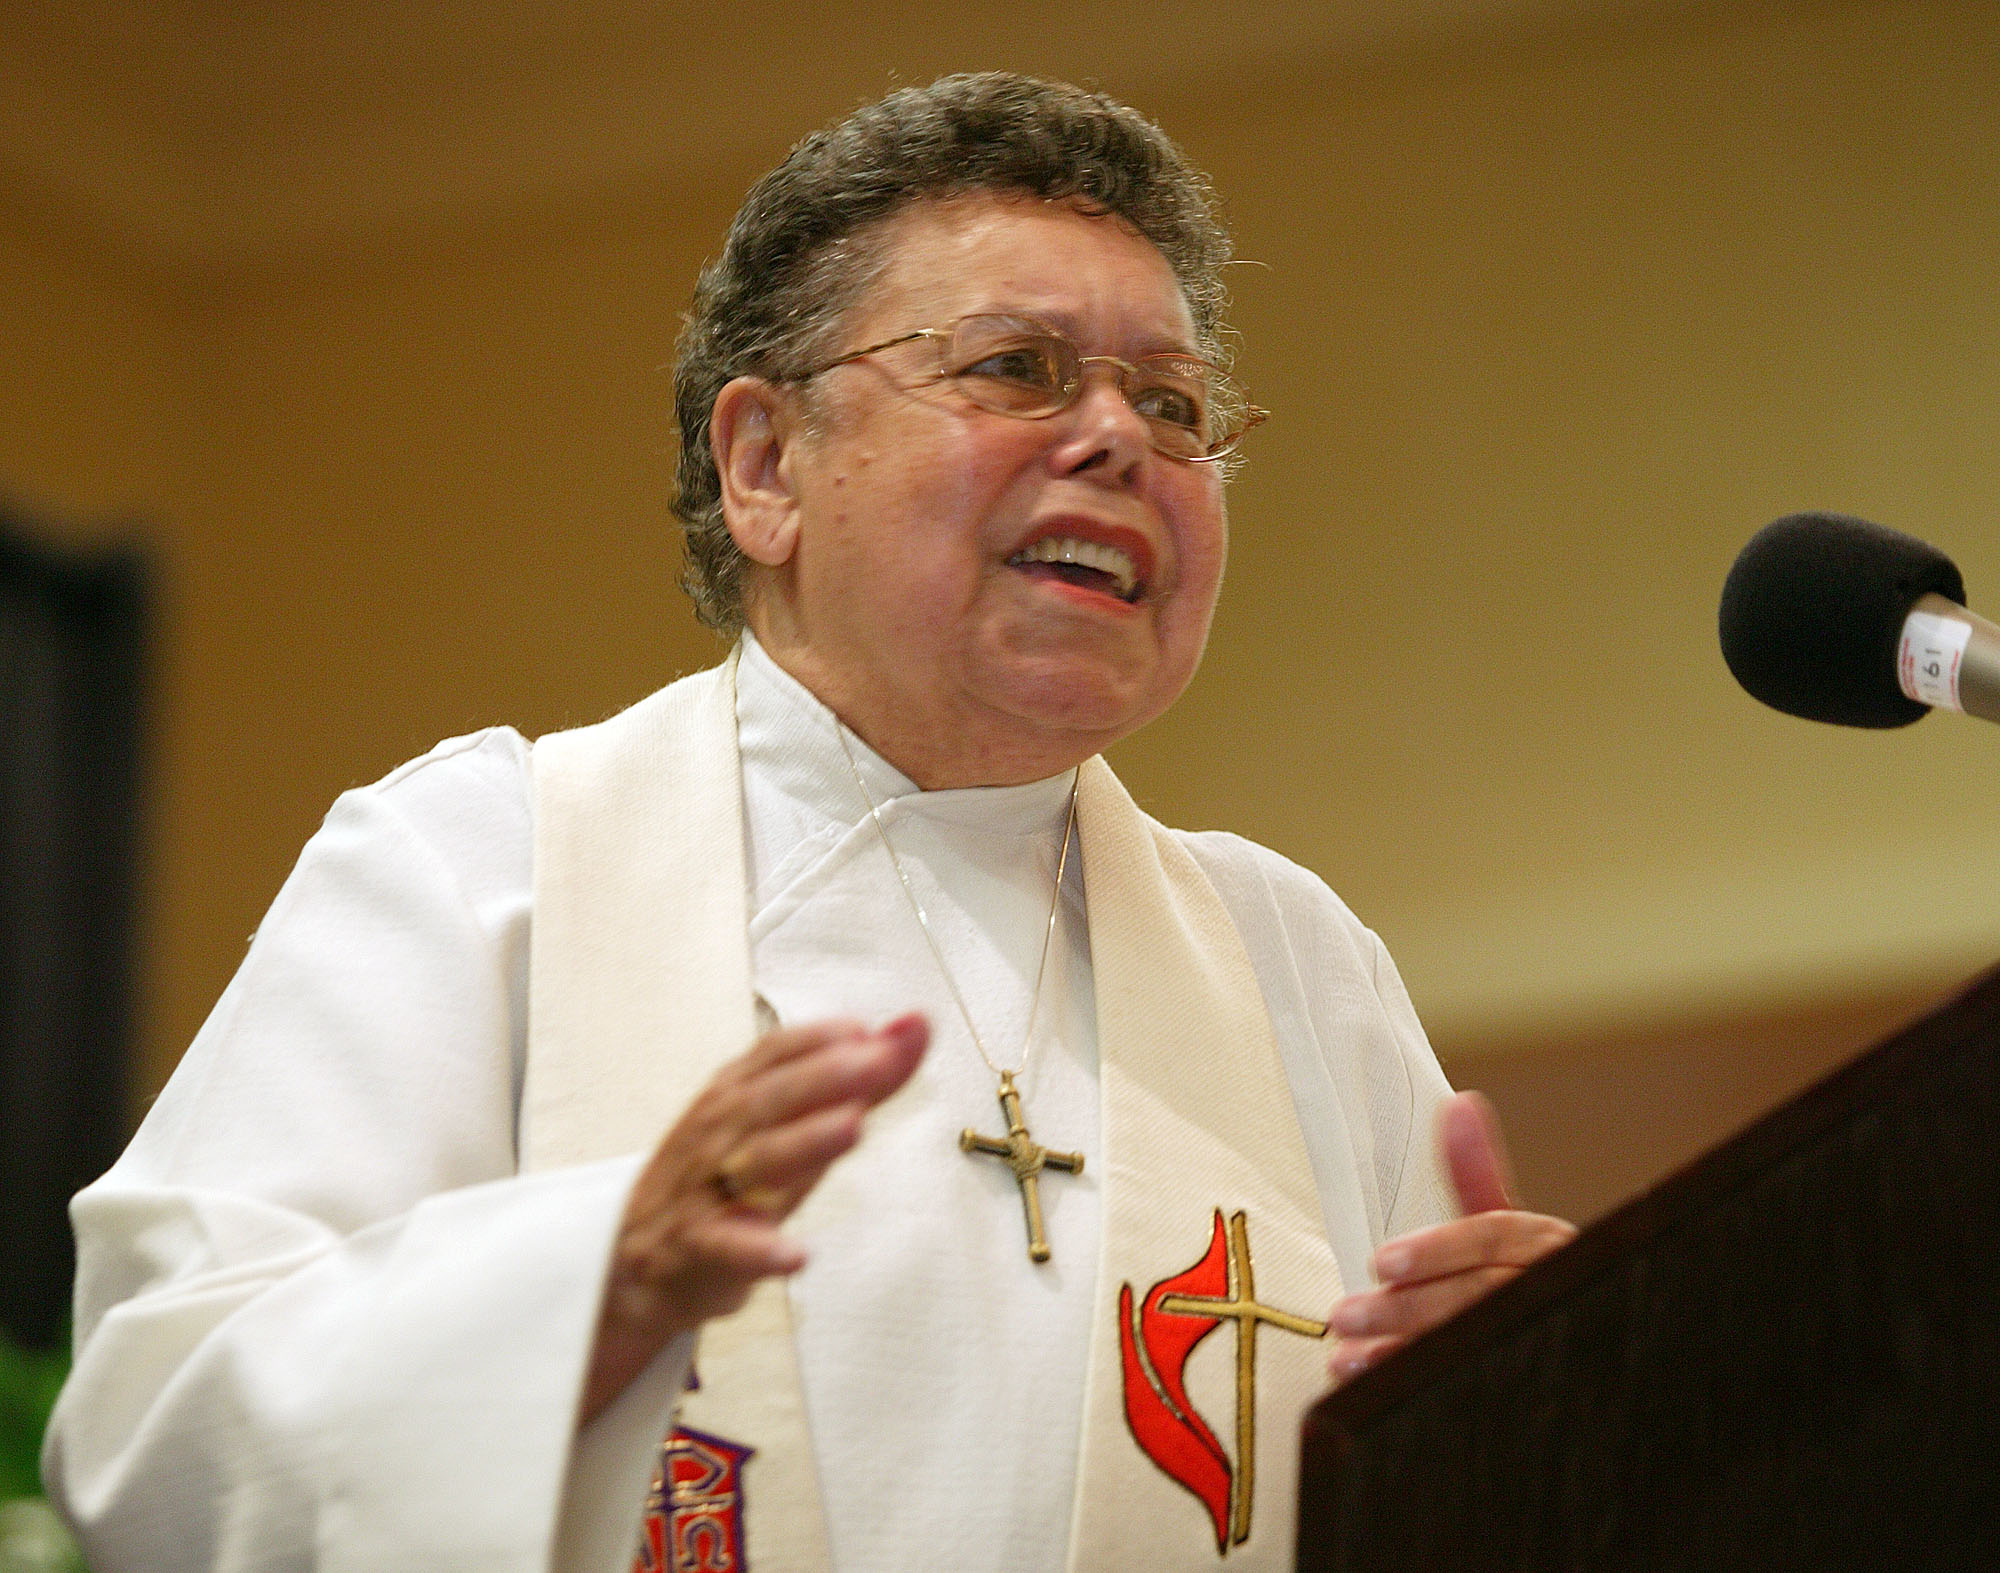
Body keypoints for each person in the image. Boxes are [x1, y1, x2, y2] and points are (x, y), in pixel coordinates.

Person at [44, 74, 1574, 1573]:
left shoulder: (1292, 958)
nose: (1119, 436)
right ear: (766, 465)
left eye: (1172, 403)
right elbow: (152, 1432)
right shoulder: (483, 864)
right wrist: (591, 1290)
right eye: (1019, 368)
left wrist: (1525, 1406)